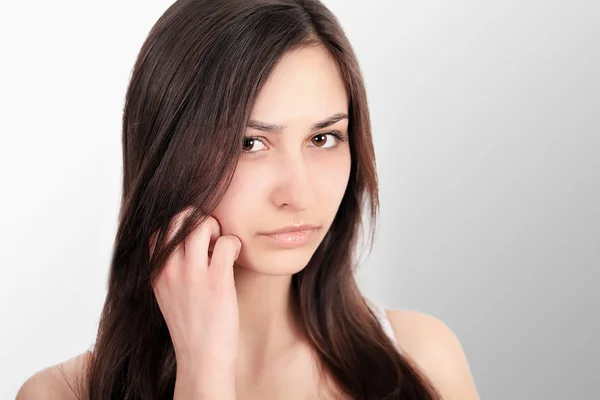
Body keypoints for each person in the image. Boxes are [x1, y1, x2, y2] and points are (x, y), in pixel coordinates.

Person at [17, 0, 479, 399]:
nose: (299, 194)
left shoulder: (422, 361)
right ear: (171, 156)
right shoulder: (62, 394)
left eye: (323, 138)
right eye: (249, 144)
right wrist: (203, 371)